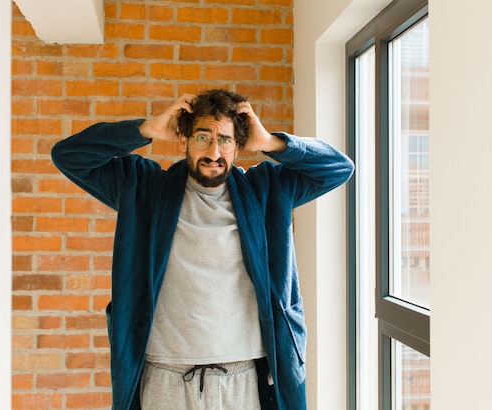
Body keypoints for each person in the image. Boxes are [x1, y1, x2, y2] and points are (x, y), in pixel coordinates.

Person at [51, 89, 354, 410]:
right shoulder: (142, 188)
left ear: (238, 146)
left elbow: (337, 168)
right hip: (164, 374)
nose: (214, 151)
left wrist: (270, 142)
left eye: (225, 140)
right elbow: (70, 155)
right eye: (202, 137)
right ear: (183, 140)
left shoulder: (266, 191)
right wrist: (146, 130)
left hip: (243, 376)